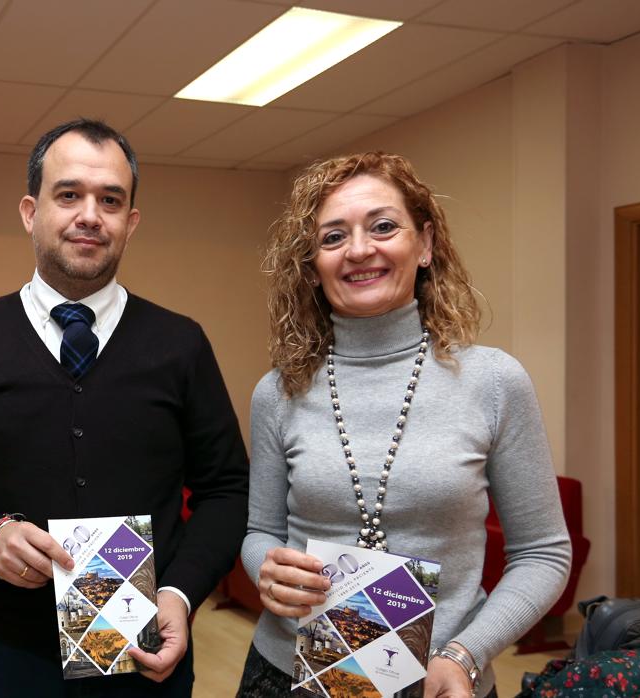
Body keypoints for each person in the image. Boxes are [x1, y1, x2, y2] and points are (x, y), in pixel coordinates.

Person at [0, 119, 248, 698]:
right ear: (31, 212)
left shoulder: (180, 344)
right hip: (6, 657)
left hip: (146, 652)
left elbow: (227, 488)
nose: (89, 215)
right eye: (69, 194)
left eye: (110, 200)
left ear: (130, 224)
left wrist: (180, 595)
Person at [238, 152, 572, 698]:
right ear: (313, 264)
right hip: (290, 672)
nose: (360, 250)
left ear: (426, 244)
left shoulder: (493, 381)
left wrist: (466, 654)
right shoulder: (279, 391)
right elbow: (261, 534)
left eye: (384, 226)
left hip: (442, 680)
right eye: (332, 237)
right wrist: (265, 572)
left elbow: (543, 554)